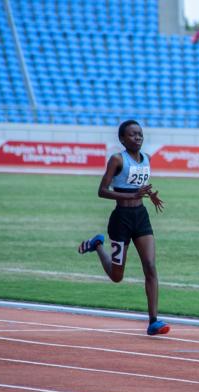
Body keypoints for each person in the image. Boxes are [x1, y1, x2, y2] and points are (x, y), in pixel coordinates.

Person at [77, 120, 169, 336]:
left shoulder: (146, 159)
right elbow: (102, 190)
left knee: (150, 265)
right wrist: (130, 195)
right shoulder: (117, 159)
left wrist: (150, 195)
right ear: (122, 139)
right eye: (132, 134)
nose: (137, 137)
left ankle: (153, 321)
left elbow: (140, 187)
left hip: (141, 217)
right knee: (117, 276)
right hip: (121, 219)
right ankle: (97, 244)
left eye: (140, 134)